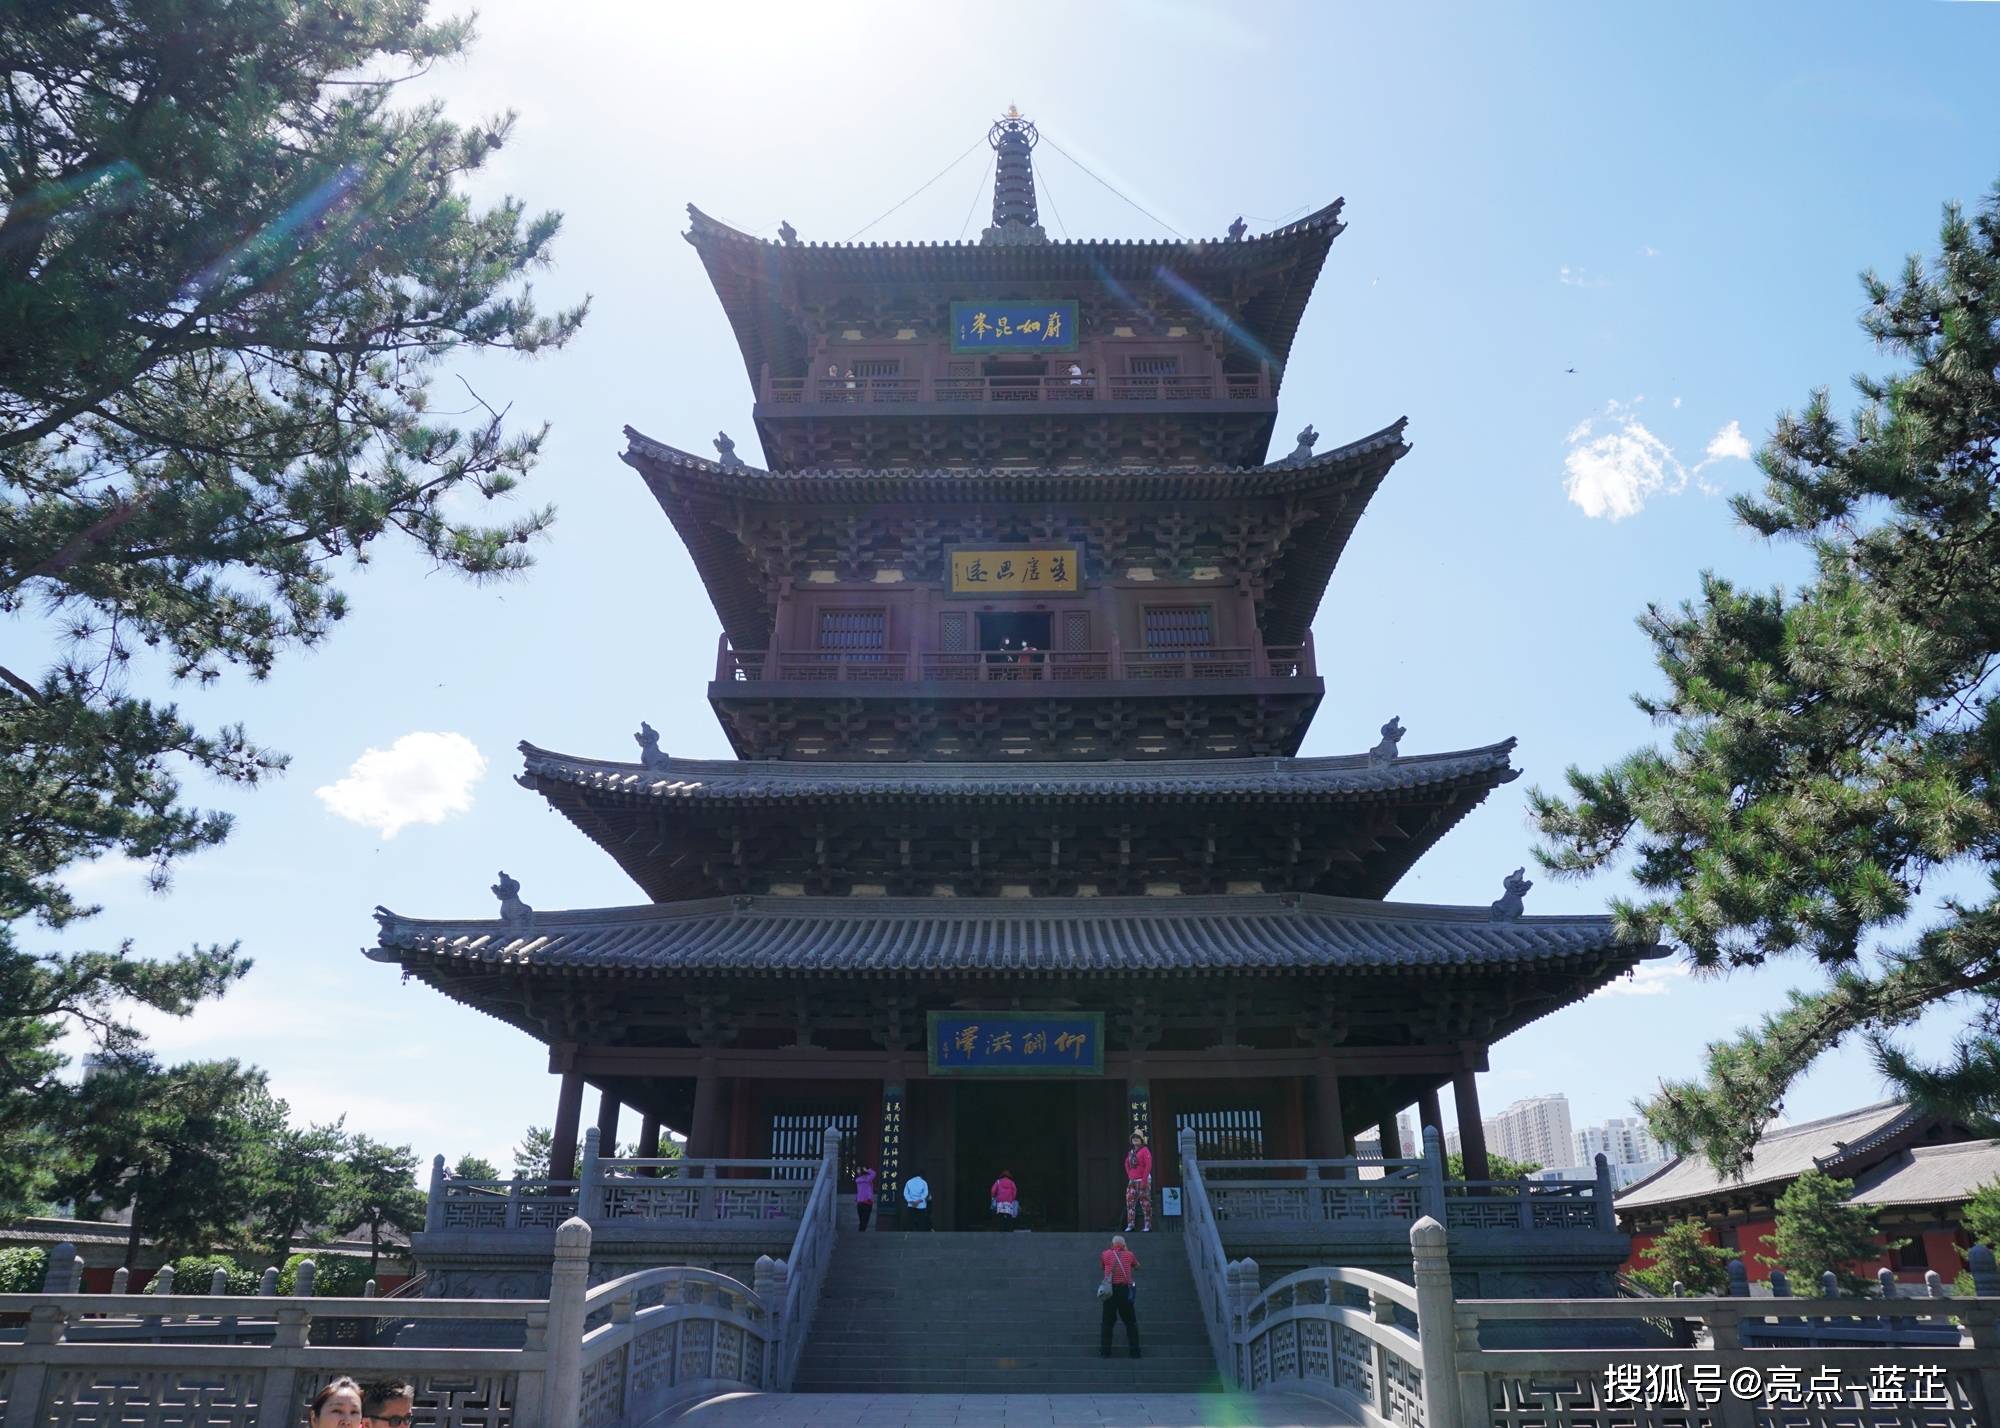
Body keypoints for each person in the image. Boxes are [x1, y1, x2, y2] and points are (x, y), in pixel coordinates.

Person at [1099, 1234, 1141, 1358]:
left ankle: (1105, 1351)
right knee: (1130, 1322)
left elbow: (1102, 1267)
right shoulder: (1130, 1255)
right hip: (1124, 1291)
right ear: (1124, 1245)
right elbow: (1138, 1267)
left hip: (1109, 1292)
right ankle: (1135, 1351)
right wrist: (1126, 1252)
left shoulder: (1105, 1254)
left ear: (1112, 1244)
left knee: (1107, 1322)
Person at [1123, 1130, 1153, 1233]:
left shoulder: (1145, 1150)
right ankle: (1130, 1224)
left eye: (1137, 1137)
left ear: (1141, 1140)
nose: (1135, 1139)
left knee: (1145, 1202)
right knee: (1130, 1202)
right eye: (1133, 1137)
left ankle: (1147, 1225)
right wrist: (1130, 1175)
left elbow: (1148, 1165)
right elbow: (1126, 1163)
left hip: (1142, 1179)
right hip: (1133, 1180)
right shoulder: (1131, 1152)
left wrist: (1144, 1180)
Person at [855, 1164, 876, 1231]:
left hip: (860, 1202)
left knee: (861, 1219)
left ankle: (861, 1230)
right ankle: (862, 1230)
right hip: (867, 1202)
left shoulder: (858, 1180)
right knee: (865, 1218)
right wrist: (867, 1169)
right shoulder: (868, 1179)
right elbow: (874, 1173)